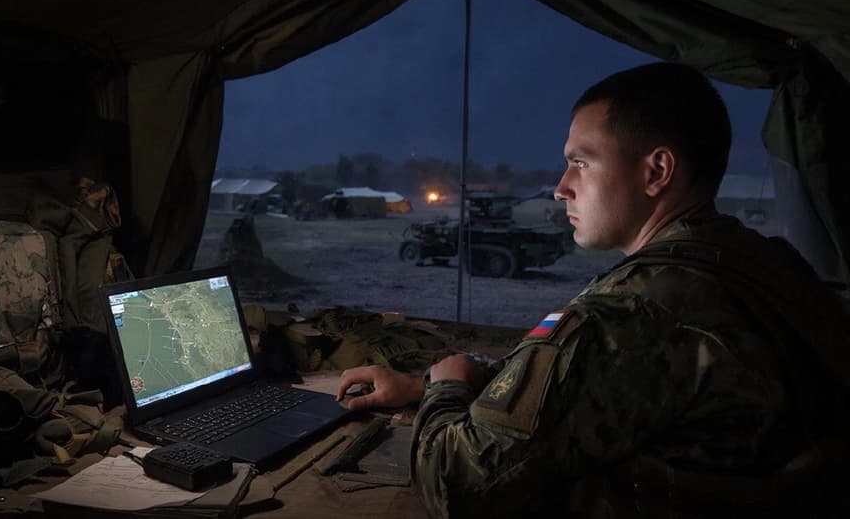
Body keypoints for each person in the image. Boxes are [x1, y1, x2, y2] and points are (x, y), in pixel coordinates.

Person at [336, 62, 849, 518]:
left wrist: (446, 391)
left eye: (580, 162)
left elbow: (455, 486)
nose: (562, 187)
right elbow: (600, 390)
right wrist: (432, 383)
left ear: (656, 171)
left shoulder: (632, 313)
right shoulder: (760, 263)